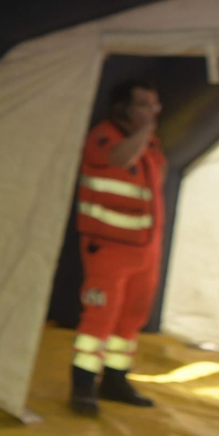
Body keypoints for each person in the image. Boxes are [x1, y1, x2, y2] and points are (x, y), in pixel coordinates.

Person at [70, 78, 167, 417]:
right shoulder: (104, 137)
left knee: (131, 319)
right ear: (122, 108)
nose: (152, 111)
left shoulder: (150, 144)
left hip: (145, 249)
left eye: (154, 105)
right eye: (144, 105)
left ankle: (115, 380)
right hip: (109, 249)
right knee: (99, 317)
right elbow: (119, 158)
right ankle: (83, 386)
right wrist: (145, 131)